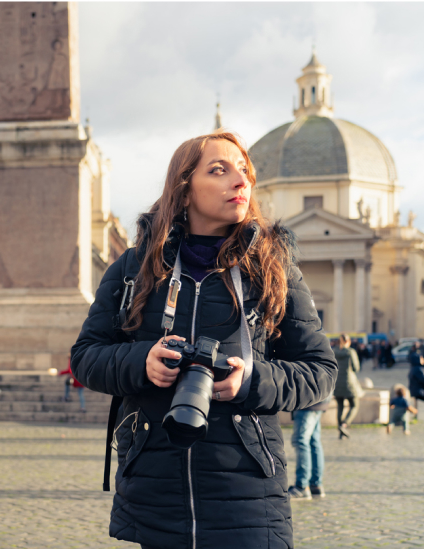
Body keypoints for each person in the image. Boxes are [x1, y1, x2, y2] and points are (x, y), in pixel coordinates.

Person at [71, 131, 337, 549]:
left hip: (248, 496)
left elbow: (320, 372)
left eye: (245, 171)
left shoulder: (274, 268)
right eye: (220, 169)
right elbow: (86, 357)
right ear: (184, 186)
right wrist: (141, 361)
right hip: (156, 492)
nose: (240, 181)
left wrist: (250, 381)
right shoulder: (134, 268)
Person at [288, 394, 332, 500]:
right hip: (320, 397)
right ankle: (315, 485)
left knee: (301, 441)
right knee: (313, 441)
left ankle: (302, 487)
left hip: (308, 399)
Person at [333, 334, 364, 439]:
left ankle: (340, 430)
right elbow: (356, 368)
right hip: (349, 383)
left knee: (340, 407)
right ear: (348, 341)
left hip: (337, 382)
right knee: (354, 405)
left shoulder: (334, 352)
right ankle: (344, 424)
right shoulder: (350, 352)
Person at [408, 342, 424, 411]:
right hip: (418, 391)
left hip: (414, 390)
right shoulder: (418, 369)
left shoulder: (413, 368)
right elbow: (422, 380)